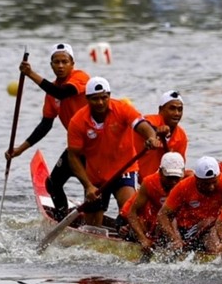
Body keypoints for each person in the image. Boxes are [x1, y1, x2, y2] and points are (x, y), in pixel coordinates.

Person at [62, 79, 161, 227]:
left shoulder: (122, 109)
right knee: (92, 227)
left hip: (124, 170)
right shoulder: (77, 121)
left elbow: (143, 126)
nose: (101, 102)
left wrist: (151, 138)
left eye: (104, 97)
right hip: (95, 176)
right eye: (95, 99)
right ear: (87, 99)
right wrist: (88, 185)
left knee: (129, 209)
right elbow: (73, 156)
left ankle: (130, 232)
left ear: (109, 95)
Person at [6, 45, 90, 212]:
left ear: (72, 63)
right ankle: (61, 217)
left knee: (91, 186)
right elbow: (45, 125)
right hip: (76, 147)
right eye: (56, 62)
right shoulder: (51, 92)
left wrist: (30, 74)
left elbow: (61, 93)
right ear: (51, 65)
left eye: (64, 62)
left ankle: (95, 219)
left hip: (96, 145)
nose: (60, 66)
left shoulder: (80, 77)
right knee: (52, 184)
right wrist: (19, 150)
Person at [159, 156, 222, 251]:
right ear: (196, 178)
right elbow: (162, 215)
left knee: (214, 236)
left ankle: (220, 250)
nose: (211, 187)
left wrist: (214, 219)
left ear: (219, 176)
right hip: (190, 230)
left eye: (214, 182)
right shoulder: (183, 186)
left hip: (215, 226)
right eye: (205, 184)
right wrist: (174, 239)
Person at [122, 152, 187, 246]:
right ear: (160, 172)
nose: (173, 182)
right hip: (128, 217)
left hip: (160, 219)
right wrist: (143, 239)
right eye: (169, 178)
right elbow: (132, 213)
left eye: (176, 178)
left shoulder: (189, 181)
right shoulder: (149, 183)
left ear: (183, 172)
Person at [137, 90, 188, 188]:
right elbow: (145, 125)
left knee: (189, 175)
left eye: (180, 109)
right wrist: (156, 131)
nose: (177, 113)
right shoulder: (151, 120)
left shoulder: (181, 136)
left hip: (159, 181)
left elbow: (179, 168)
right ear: (160, 110)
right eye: (172, 108)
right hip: (135, 175)